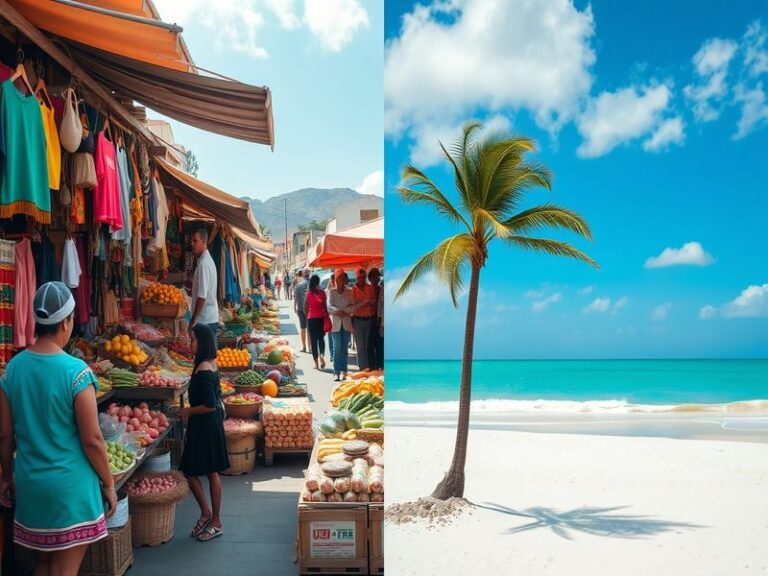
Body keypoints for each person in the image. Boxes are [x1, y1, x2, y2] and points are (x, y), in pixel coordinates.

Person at [0, 282, 116, 575]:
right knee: (64, 570)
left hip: (30, 484)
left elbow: (4, 435)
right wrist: (109, 483)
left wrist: (5, 476)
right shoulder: (77, 372)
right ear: (66, 322)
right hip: (69, 491)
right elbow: (92, 439)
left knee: (43, 563)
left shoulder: (13, 369)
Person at [178, 324, 229, 542]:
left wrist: (187, 411)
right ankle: (207, 514)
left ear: (203, 342)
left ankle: (215, 521)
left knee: (205, 471)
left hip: (206, 423)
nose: (191, 343)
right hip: (206, 424)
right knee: (201, 470)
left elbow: (209, 404)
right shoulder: (206, 364)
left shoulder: (205, 368)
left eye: (193, 339)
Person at [190, 227, 220, 349]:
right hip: (208, 319)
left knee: (206, 359)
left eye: (195, 241)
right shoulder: (205, 261)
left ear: (203, 242)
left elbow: (202, 297)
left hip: (205, 321)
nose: (192, 244)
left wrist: (193, 321)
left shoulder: (204, 264)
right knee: (209, 359)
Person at [327, 269, 359, 381]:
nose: (341, 281)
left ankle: (344, 371)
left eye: (342, 279)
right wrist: (338, 311)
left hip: (346, 323)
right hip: (335, 324)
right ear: (335, 280)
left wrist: (344, 311)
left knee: (344, 348)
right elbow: (329, 307)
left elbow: (353, 306)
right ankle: (336, 372)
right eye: (339, 279)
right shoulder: (331, 292)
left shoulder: (349, 292)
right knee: (337, 348)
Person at [351, 267, 376, 371]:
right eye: (360, 277)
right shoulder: (352, 290)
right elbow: (353, 305)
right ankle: (362, 369)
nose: (363, 279)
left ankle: (368, 368)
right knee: (360, 346)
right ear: (357, 278)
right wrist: (364, 303)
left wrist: (370, 302)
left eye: (364, 277)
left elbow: (373, 299)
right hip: (357, 320)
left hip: (368, 319)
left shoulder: (370, 288)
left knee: (367, 346)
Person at [304, 274, 328, 370]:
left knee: (313, 341)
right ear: (318, 282)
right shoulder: (322, 293)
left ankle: (316, 363)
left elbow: (305, 307)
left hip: (311, 319)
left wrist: (308, 316)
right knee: (321, 339)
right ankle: (322, 355)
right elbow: (325, 307)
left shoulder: (308, 293)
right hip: (320, 318)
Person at [367, 268, 384, 370]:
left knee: (379, 344)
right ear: (370, 278)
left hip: (379, 320)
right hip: (369, 319)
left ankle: (379, 365)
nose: (377, 279)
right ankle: (372, 366)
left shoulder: (380, 289)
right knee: (370, 345)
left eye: (378, 277)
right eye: (375, 277)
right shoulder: (368, 289)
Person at [293, 270, 309, 353]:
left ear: (303, 276)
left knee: (303, 328)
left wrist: (294, 306)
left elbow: (295, 297)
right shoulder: (312, 285)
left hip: (301, 308)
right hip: (310, 310)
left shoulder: (298, 285)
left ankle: (304, 347)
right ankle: (310, 348)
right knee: (309, 329)